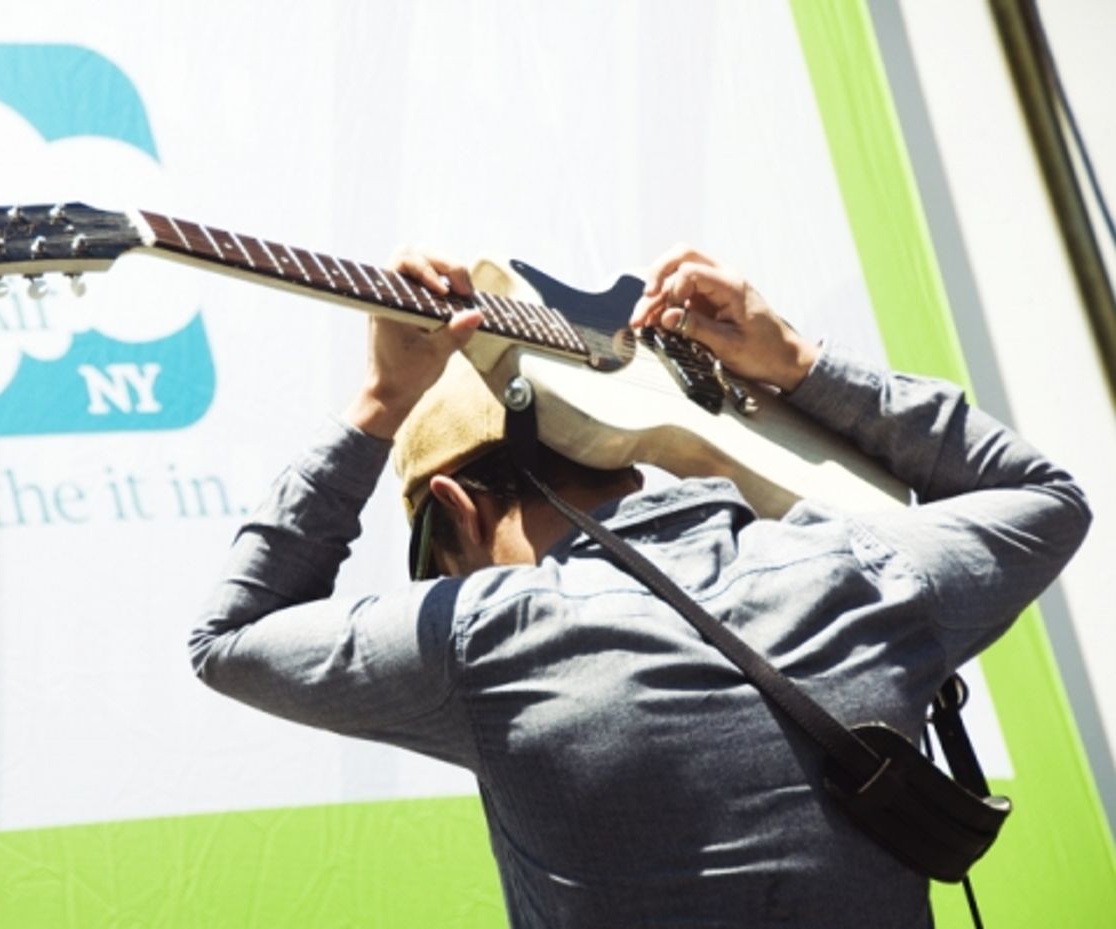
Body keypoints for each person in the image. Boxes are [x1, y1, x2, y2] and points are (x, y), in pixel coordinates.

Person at [190, 245, 1090, 928]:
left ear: (457, 507)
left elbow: (228, 641)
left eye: (432, 559)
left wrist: (381, 405)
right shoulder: (853, 569)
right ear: (621, 465)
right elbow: (1047, 497)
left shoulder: (484, 638)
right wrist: (798, 364)